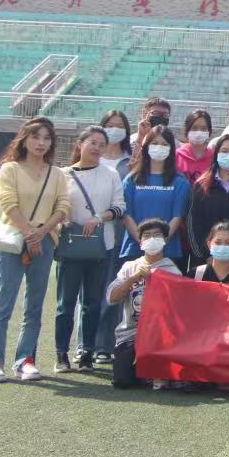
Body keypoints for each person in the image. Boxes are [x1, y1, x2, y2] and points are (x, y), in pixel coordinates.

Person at [0, 118, 72, 383]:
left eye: (46, 138)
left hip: (45, 240)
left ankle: (26, 359)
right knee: (5, 302)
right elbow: (7, 202)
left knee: (35, 304)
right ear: (24, 139)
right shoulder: (10, 169)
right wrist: (29, 232)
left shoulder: (57, 174)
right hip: (13, 239)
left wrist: (41, 232)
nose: (41, 143)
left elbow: (63, 206)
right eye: (35, 137)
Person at [54, 126, 124, 373]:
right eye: (92, 142)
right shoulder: (63, 174)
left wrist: (99, 217)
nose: (97, 148)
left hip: (100, 246)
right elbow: (56, 206)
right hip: (71, 246)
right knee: (65, 304)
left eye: (101, 144)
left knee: (93, 303)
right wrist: (62, 219)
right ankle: (61, 353)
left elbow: (119, 206)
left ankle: (87, 352)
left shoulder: (110, 174)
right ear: (80, 144)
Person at [106, 218, 181, 389]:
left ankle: (153, 372)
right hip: (130, 334)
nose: (152, 239)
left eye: (157, 235)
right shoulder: (130, 267)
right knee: (122, 381)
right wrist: (132, 279)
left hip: (160, 336)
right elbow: (111, 298)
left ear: (165, 239)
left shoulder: (172, 270)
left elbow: (177, 307)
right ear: (140, 241)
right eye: (147, 236)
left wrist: (156, 280)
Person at [119, 127, 190, 272]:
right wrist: (144, 240)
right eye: (155, 143)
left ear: (171, 149)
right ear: (146, 147)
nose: (159, 147)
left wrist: (159, 242)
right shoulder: (132, 179)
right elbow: (127, 215)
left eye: (164, 144)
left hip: (167, 250)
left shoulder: (179, 181)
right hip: (135, 248)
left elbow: (178, 216)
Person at [95, 109, 134, 365]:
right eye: (110, 124)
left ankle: (106, 345)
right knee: (90, 293)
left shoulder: (131, 161)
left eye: (120, 125)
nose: (114, 129)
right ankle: (86, 345)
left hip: (120, 235)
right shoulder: (92, 157)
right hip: (91, 234)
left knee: (114, 290)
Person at [184, 134, 229, 271]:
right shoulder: (202, 185)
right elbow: (192, 224)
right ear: (216, 154)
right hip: (205, 262)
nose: (228, 155)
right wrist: (205, 255)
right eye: (224, 151)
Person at [175, 108, 214, 182]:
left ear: (209, 131)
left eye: (203, 128)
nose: (199, 133)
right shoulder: (176, 156)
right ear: (187, 130)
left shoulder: (215, 157)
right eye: (194, 128)